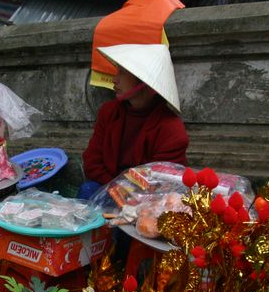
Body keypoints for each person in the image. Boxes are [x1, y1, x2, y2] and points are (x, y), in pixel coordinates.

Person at [80, 43, 189, 198]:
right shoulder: (109, 112)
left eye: (122, 72)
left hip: (148, 197)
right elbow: (92, 161)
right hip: (108, 186)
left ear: (143, 81)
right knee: (88, 189)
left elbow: (160, 183)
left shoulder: (171, 129)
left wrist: (128, 196)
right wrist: (117, 190)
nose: (115, 79)